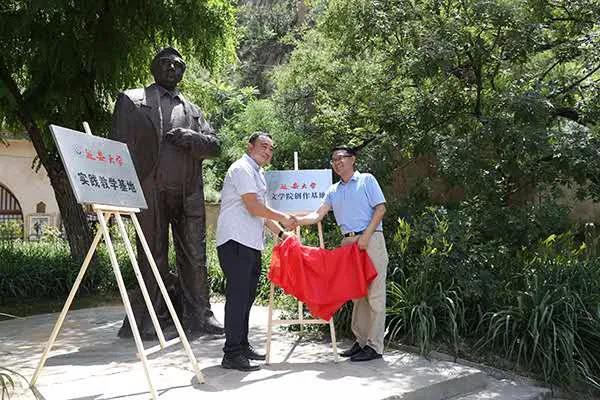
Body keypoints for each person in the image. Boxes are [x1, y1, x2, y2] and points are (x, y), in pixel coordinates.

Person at [111, 47, 224, 340]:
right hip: (151, 189)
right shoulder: (132, 100)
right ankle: (151, 317)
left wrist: (192, 138)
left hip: (188, 193)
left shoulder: (193, 110)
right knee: (152, 255)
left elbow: (215, 145)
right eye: (165, 63)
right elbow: (118, 147)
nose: (171, 67)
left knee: (195, 255)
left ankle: (200, 315)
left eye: (177, 64)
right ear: (154, 68)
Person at [294, 146, 389, 361]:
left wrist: (366, 236)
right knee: (357, 295)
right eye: (334, 160)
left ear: (352, 159)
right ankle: (361, 342)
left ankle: (375, 347)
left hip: (370, 239)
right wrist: (295, 221)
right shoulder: (333, 190)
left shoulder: (366, 180)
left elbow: (381, 208)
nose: (337, 162)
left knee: (375, 295)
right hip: (348, 243)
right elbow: (317, 215)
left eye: (341, 158)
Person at [216, 132, 295, 371]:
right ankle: (231, 353)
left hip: (251, 243)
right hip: (235, 240)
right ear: (249, 146)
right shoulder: (241, 168)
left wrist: (282, 234)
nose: (268, 151)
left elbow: (262, 213)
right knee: (237, 298)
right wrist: (284, 217)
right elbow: (253, 206)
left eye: (271, 148)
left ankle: (241, 345)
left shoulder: (258, 173)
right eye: (263, 146)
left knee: (247, 298)